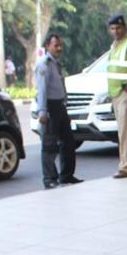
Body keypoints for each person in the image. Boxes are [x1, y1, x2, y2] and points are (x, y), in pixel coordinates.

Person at [35, 32, 82, 188]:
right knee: (49, 145)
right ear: (48, 46)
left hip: (60, 107)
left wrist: (65, 107)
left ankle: (66, 175)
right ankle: (49, 179)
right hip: (50, 107)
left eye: (60, 45)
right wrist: (42, 111)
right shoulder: (44, 64)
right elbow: (41, 90)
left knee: (68, 142)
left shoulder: (56, 63)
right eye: (56, 45)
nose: (59, 48)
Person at [106, 13, 127, 178]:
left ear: (124, 28)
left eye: (118, 28)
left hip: (125, 93)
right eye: (112, 28)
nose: (116, 31)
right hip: (115, 93)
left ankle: (125, 166)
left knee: (124, 132)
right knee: (123, 129)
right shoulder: (114, 46)